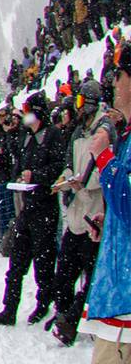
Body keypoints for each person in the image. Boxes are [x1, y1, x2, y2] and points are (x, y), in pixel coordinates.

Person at [0, 92, 67, 326]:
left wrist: (36, 176)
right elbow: (17, 164)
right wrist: (19, 177)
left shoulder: (53, 135)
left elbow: (58, 167)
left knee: (44, 263)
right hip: (28, 206)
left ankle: (44, 304)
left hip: (46, 205)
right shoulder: (25, 137)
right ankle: (9, 308)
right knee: (17, 260)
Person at [49, 80, 108, 345]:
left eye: (82, 102)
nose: (78, 108)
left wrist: (84, 181)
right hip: (75, 212)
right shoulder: (77, 133)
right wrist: (65, 178)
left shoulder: (104, 130)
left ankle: (73, 321)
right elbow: (69, 164)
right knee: (64, 272)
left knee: (91, 274)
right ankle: (63, 313)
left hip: (93, 214)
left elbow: (105, 169)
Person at [87, 60, 131, 363]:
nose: (113, 83)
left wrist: (103, 157)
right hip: (118, 294)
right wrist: (111, 222)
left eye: (120, 75)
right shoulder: (127, 137)